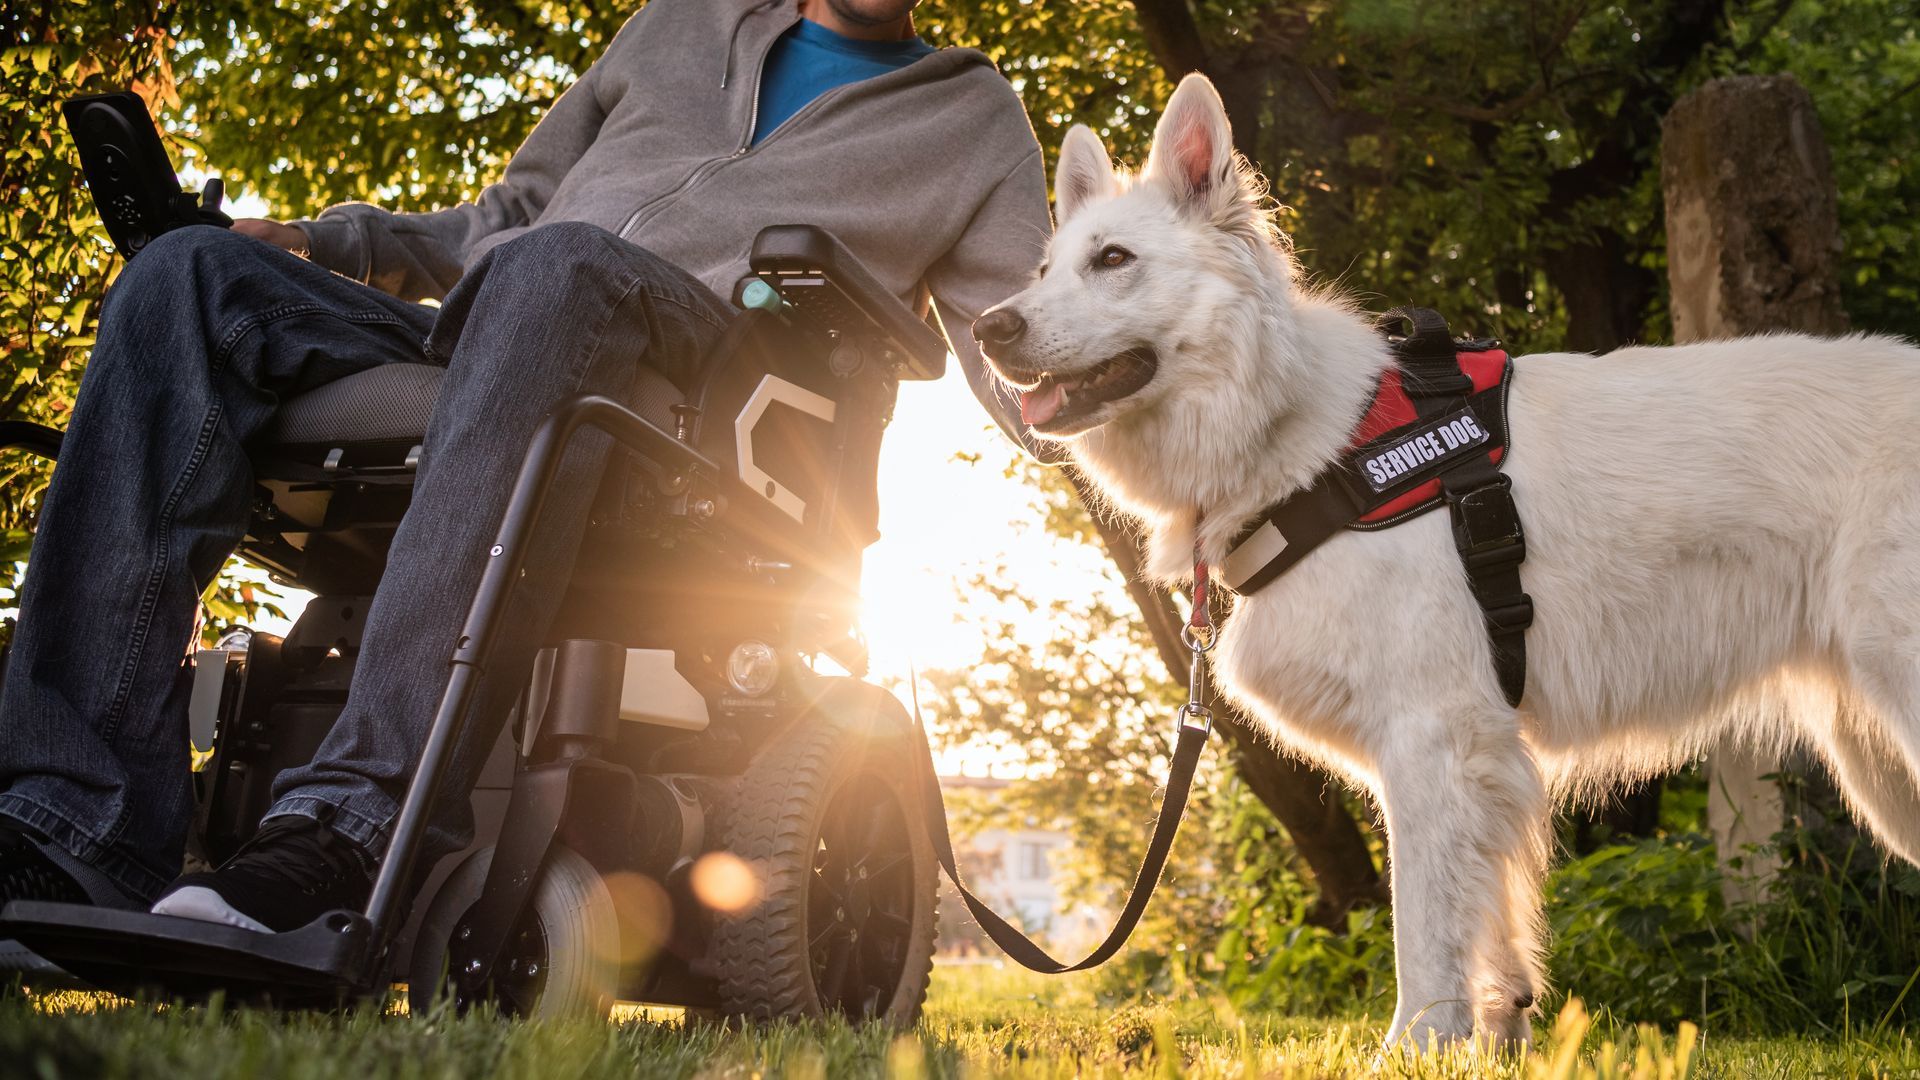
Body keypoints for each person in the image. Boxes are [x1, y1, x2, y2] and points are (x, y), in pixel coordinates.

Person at [0, 0, 1048, 932]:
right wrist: (327, 243)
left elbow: (1033, 342)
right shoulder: (676, 21)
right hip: (502, 323)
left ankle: (349, 824)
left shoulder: (973, 119)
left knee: (561, 267)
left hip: (709, 385)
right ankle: (68, 826)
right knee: (184, 277)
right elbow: (508, 218)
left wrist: (1134, 406)